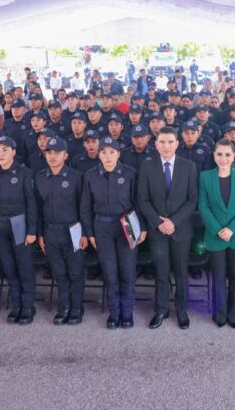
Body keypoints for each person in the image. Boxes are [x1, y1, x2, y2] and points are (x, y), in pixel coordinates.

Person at [137, 127, 198, 330]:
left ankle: (181, 310)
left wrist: (174, 221)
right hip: (158, 231)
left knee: (180, 272)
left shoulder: (189, 166)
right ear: (156, 144)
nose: (166, 146)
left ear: (177, 144)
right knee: (161, 272)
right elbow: (142, 200)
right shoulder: (147, 167)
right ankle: (161, 310)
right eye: (162, 142)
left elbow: (192, 200)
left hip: (180, 230)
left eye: (170, 142)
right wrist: (159, 222)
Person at [81, 137, 145, 329]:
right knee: (110, 273)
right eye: (103, 152)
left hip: (126, 227)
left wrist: (141, 227)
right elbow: (85, 207)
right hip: (102, 227)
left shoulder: (130, 174)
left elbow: (138, 203)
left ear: (118, 154)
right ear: (98, 154)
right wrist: (90, 232)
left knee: (127, 271)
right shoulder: (91, 175)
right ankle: (114, 313)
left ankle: (127, 313)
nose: (107, 156)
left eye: (111, 152)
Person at [0, 135, 39, 325]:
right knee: (9, 267)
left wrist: (32, 231)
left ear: (14, 152)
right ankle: (16, 305)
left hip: (19, 223)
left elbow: (32, 204)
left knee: (24, 267)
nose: (1, 153)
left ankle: (28, 306)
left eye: (5, 150)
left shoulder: (25, 173)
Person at [199, 139, 235, 328]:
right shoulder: (205, 177)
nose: (223, 158)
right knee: (218, 277)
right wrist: (218, 229)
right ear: (214, 155)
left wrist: (231, 229)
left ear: (234, 156)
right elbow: (203, 207)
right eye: (219, 154)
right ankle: (219, 313)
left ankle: (234, 313)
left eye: (227, 154)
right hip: (215, 236)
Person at [35, 137, 86, 326]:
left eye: (57, 153)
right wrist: (40, 233)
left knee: (75, 272)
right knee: (59, 272)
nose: (53, 156)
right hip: (50, 231)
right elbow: (38, 208)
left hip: (73, 230)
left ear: (65, 155)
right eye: (49, 153)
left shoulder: (76, 177)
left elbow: (84, 207)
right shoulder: (40, 177)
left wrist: (85, 234)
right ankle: (64, 306)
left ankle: (77, 307)